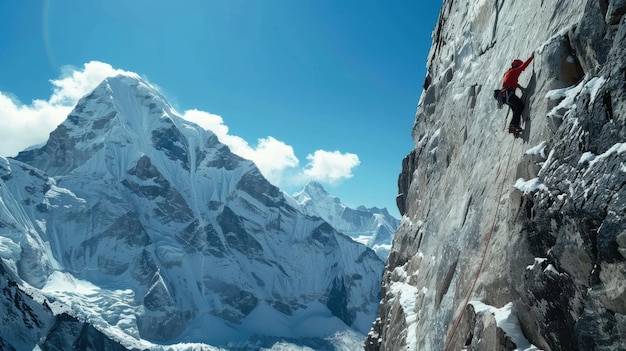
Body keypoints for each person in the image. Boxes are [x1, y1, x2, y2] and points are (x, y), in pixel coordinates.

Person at [502, 54, 534, 134]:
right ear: (516, 66)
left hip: (505, 96)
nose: (520, 72)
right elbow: (523, 66)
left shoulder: (508, 73)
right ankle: (513, 125)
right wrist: (531, 57)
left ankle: (513, 127)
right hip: (509, 94)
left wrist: (521, 88)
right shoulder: (514, 71)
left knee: (516, 110)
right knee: (520, 106)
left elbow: (512, 82)